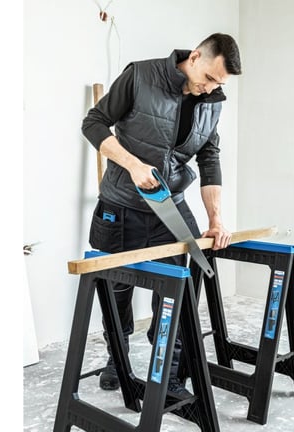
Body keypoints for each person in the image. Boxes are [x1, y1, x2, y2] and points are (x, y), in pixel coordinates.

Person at [81, 32, 242, 396]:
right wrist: (132, 164)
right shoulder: (140, 76)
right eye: (209, 78)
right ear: (195, 57)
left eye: (219, 84)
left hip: (170, 204)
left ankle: (167, 370)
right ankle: (117, 358)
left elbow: (209, 158)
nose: (210, 88)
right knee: (116, 290)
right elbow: (93, 123)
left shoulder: (212, 101)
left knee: (180, 285)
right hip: (121, 203)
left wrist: (215, 219)